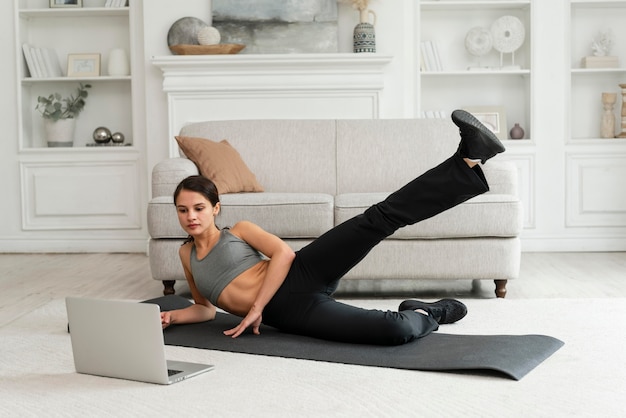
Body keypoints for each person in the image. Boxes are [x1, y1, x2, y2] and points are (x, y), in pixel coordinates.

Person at [160, 110, 505, 346]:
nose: (191, 216)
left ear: (215, 208)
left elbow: (281, 253)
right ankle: (427, 312)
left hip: (301, 271)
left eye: (199, 208)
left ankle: (468, 158)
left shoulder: (239, 230)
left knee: (379, 217)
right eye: (183, 210)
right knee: (391, 331)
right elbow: (205, 308)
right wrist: (172, 318)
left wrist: (255, 309)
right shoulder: (186, 254)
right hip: (291, 312)